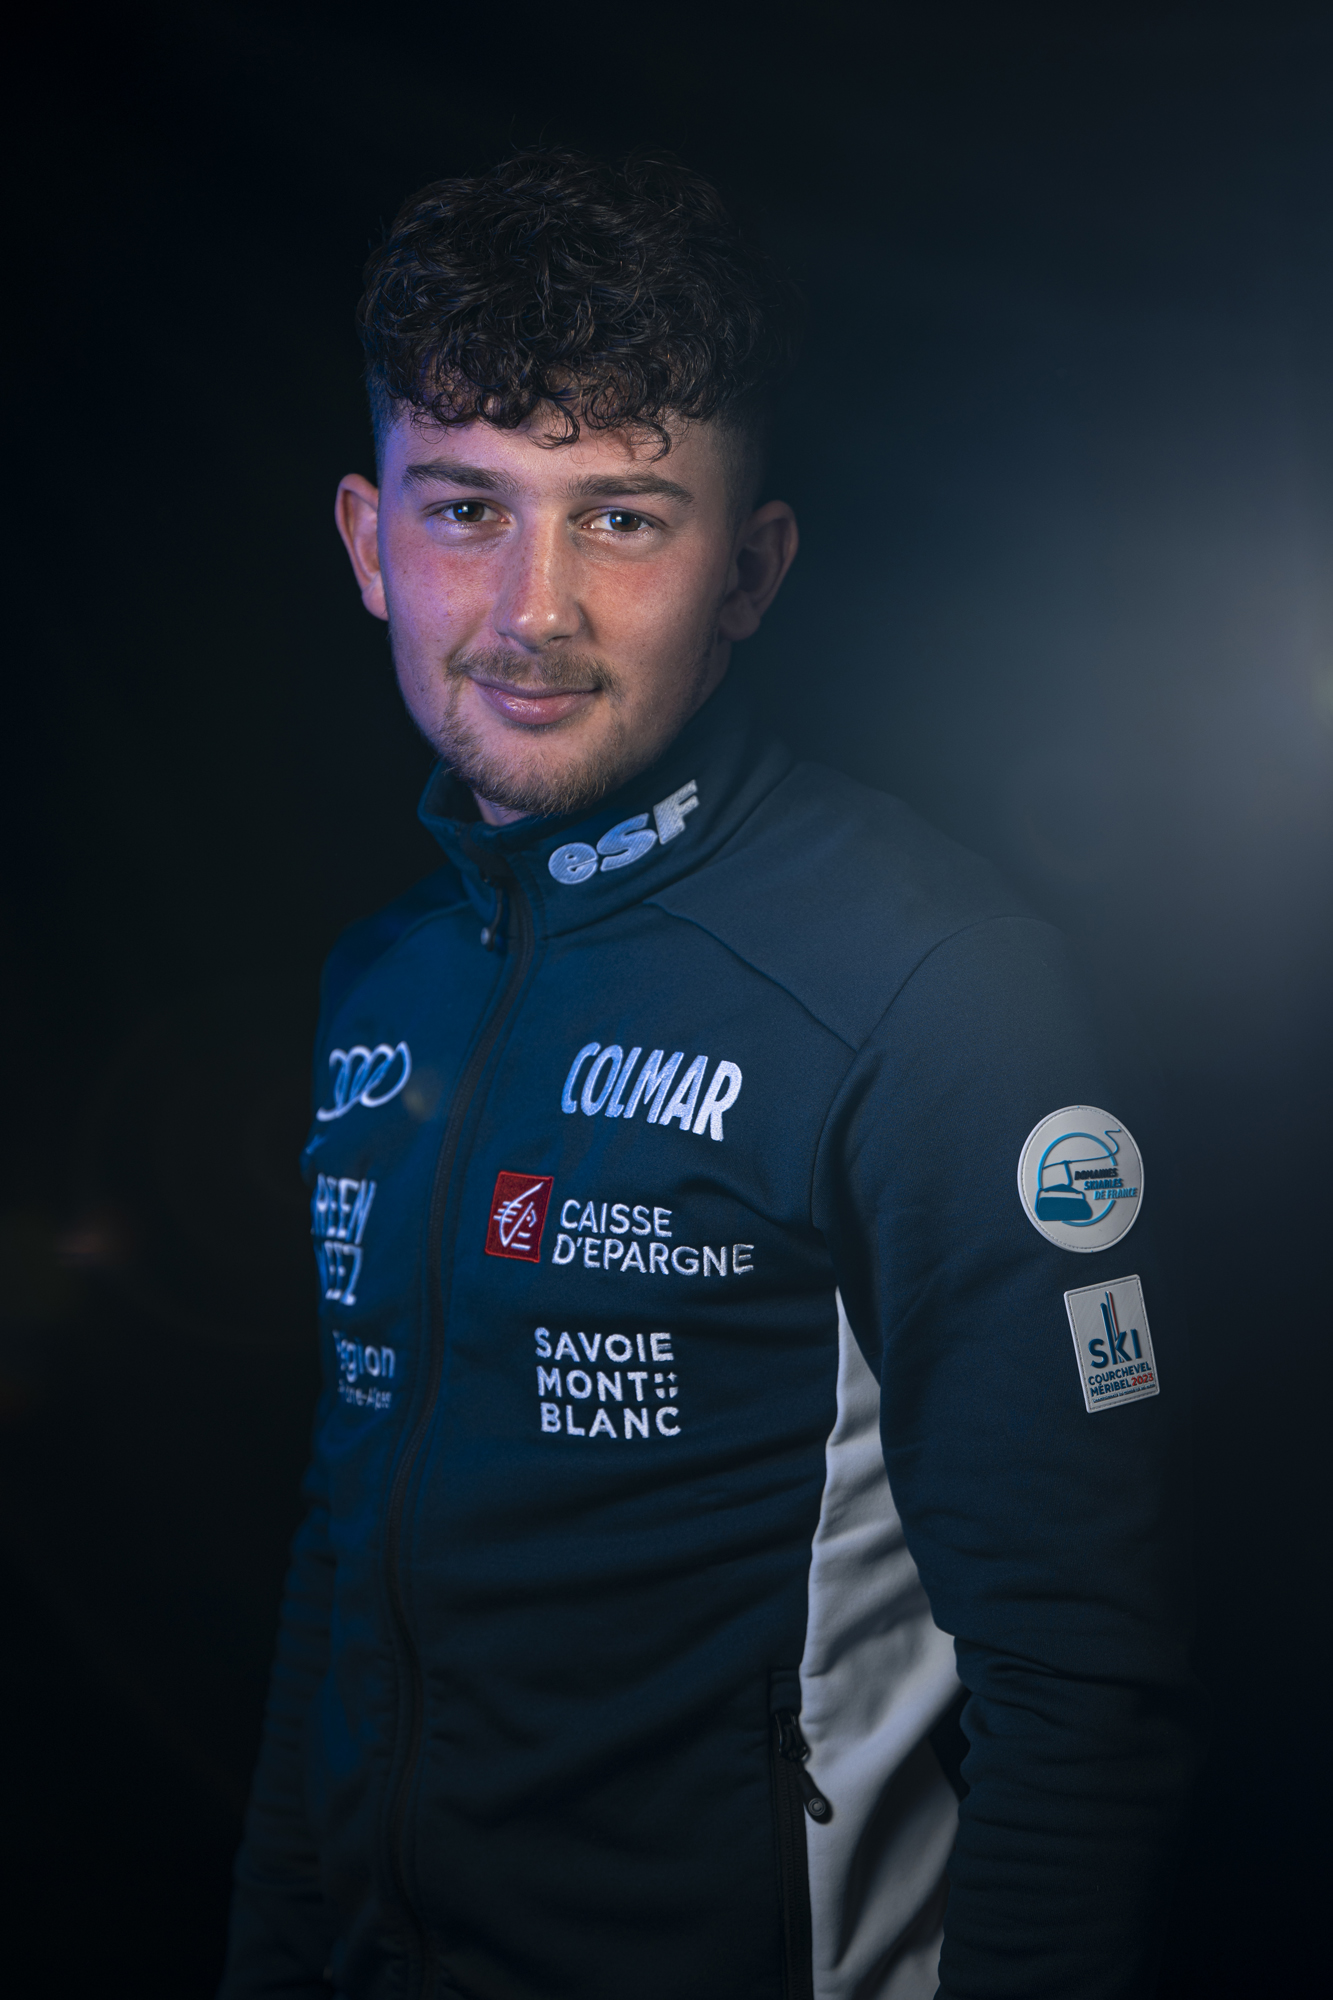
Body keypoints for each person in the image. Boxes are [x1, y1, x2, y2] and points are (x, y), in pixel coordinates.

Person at [220, 151, 1195, 2000]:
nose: (532, 610)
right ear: (365, 540)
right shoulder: (385, 986)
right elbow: (342, 1583)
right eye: (466, 508)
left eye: (621, 517)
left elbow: (1088, 1690)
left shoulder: (933, 993)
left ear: (749, 569)